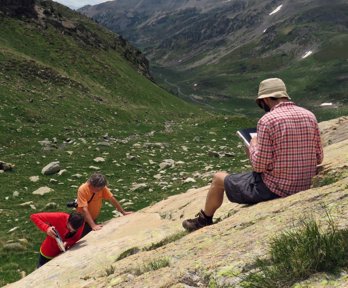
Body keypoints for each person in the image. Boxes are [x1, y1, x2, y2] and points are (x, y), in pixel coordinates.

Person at [182, 78, 324, 232]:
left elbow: (259, 166)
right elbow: (319, 157)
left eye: (260, 102)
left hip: (275, 188)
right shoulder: (310, 115)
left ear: (266, 99)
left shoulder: (267, 120)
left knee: (218, 178)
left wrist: (252, 145)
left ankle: (203, 221)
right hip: (305, 183)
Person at [76, 172, 132, 237]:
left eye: (100, 189)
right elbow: (84, 209)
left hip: (92, 219)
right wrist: (93, 225)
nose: (99, 190)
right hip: (82, 221)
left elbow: (111, 198)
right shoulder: (82, 189)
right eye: (97, 189)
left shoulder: (102, 188)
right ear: (91, 184)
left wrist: (123, 212)